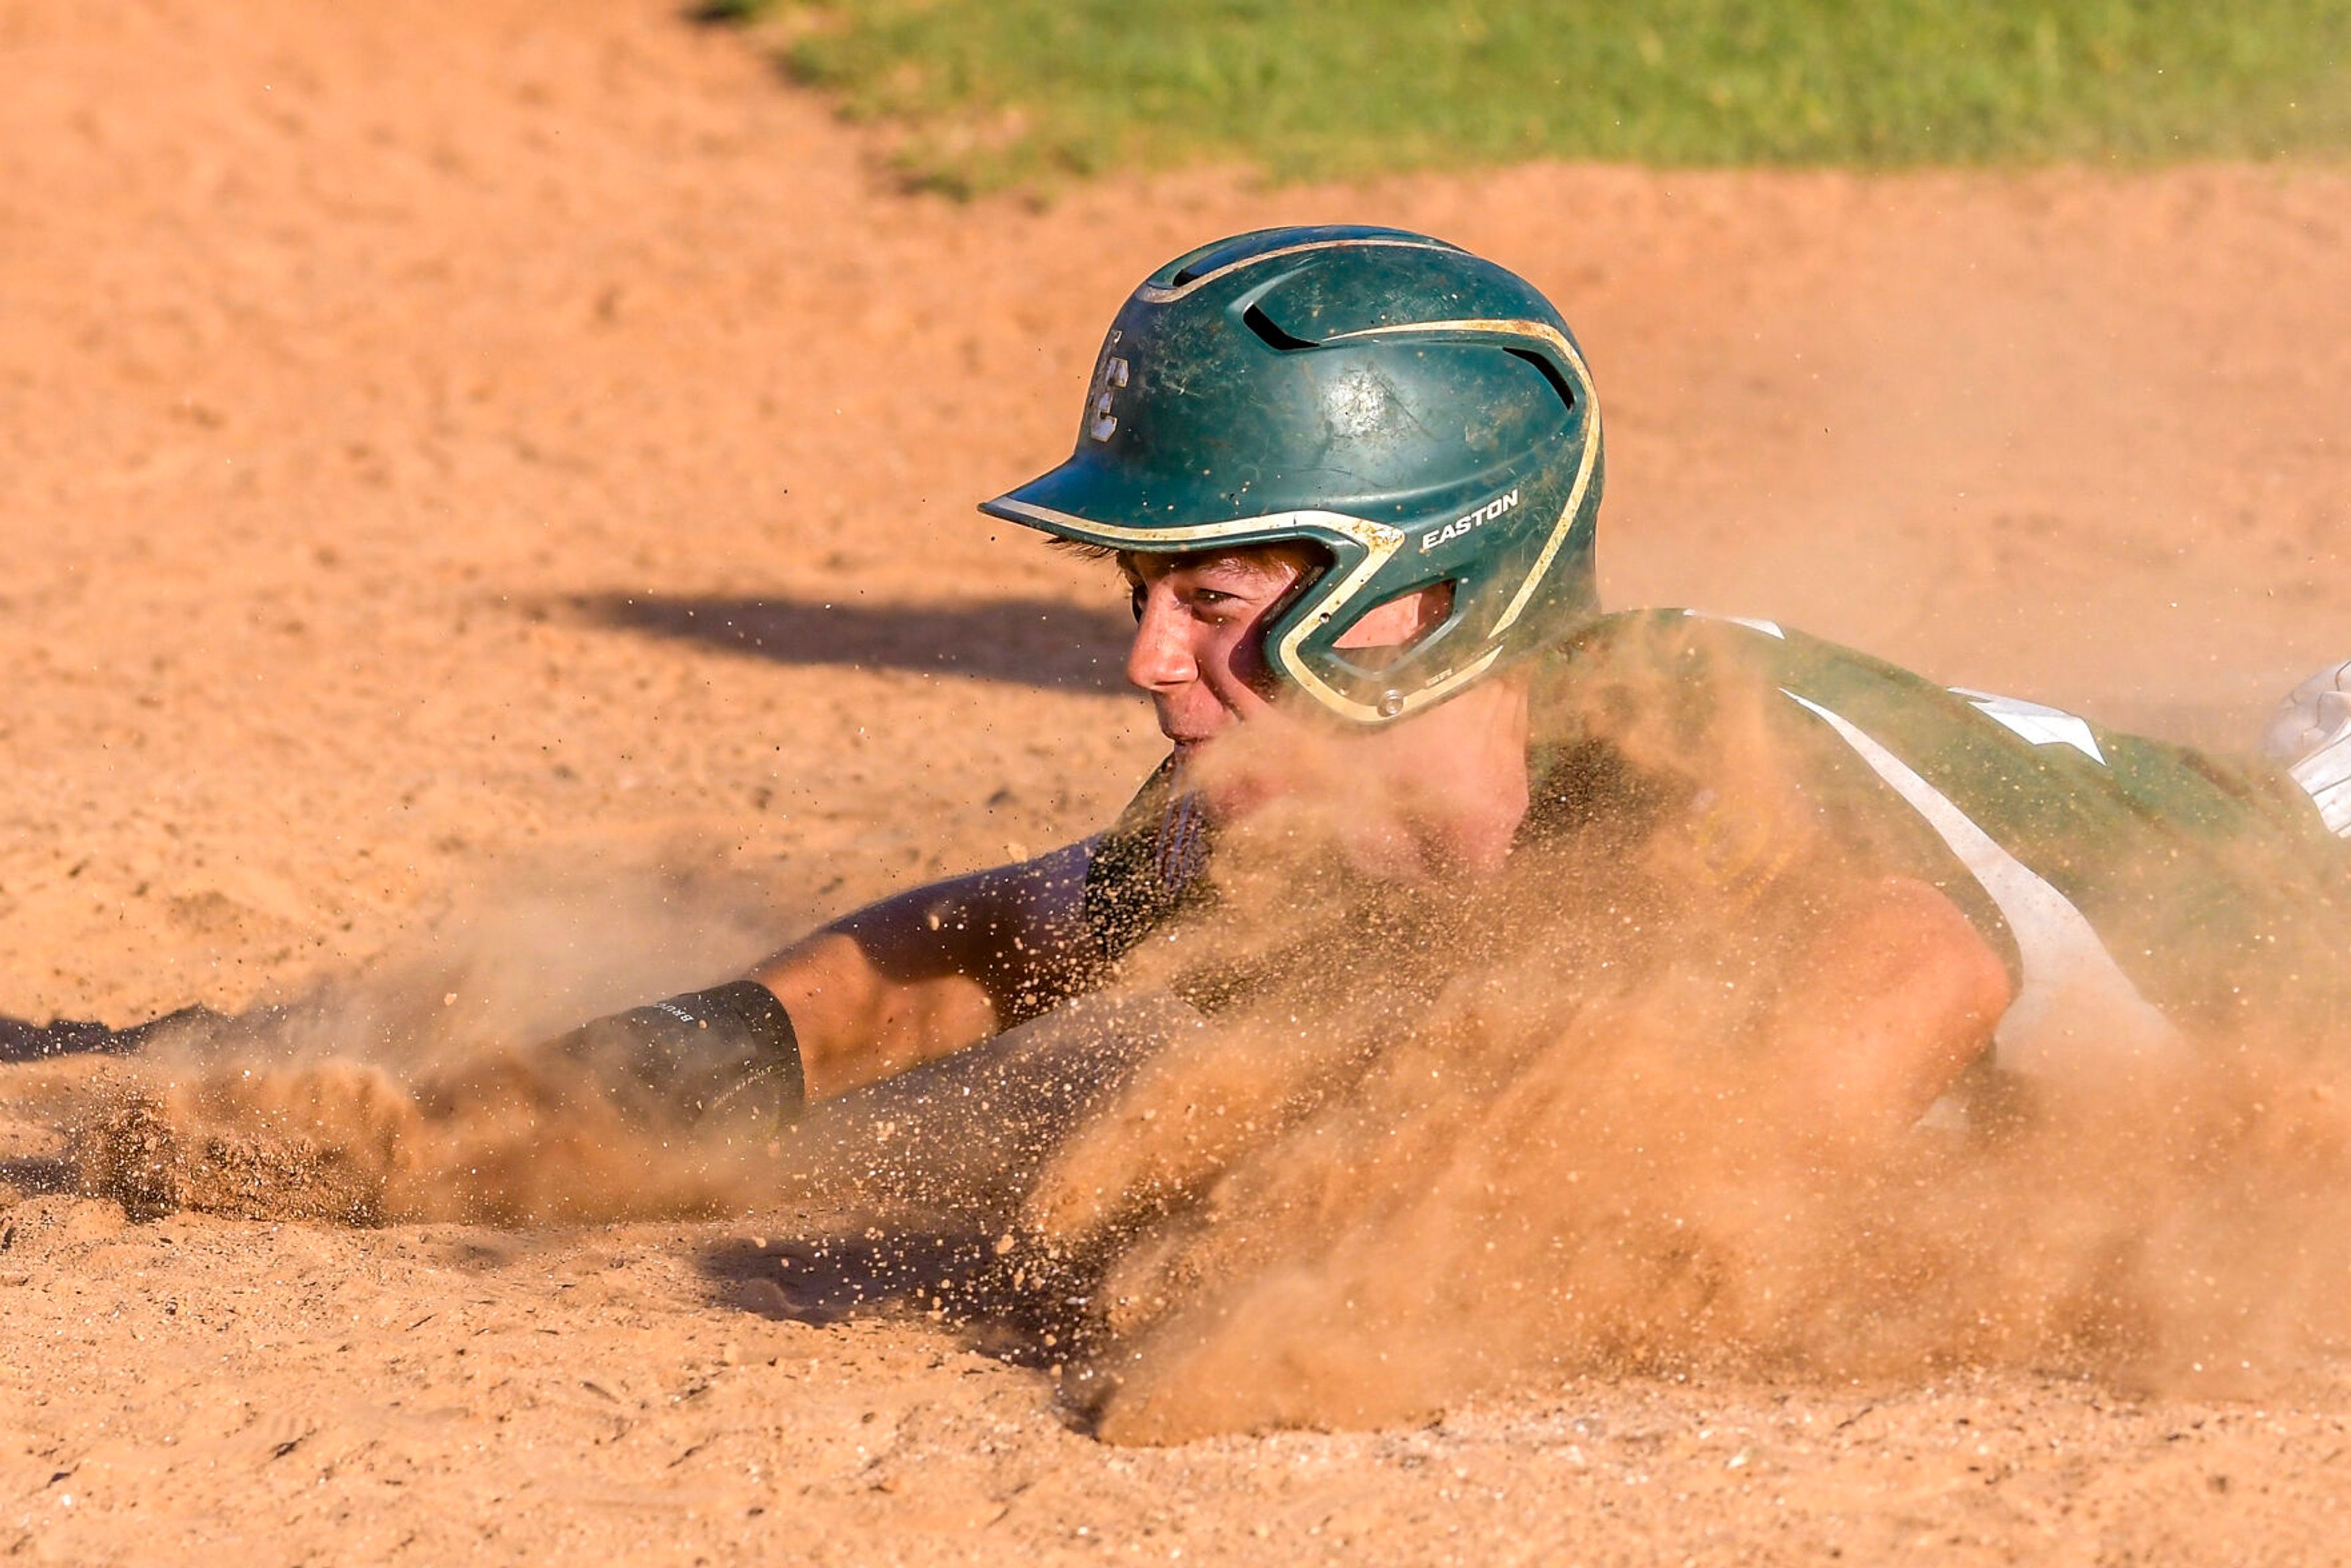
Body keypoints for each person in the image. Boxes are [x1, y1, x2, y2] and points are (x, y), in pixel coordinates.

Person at [40, 225, 2351, 1156]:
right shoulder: (1319, 800)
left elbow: (1902, 970)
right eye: (1150, 586)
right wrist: (586, 1095)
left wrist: (1472, 1216)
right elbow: (978, 947)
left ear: (1432, 588)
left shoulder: (1680, 752)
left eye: (1231, 586)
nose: (1157, 656)